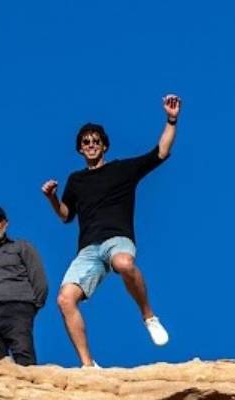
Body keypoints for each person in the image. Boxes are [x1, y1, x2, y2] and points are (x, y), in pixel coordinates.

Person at [41, 94, 182, 367]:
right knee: (65, 299)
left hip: (117, 239)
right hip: (88, 249)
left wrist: (171, 119)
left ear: (104, 145)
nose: (91, 145)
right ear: (80, 149)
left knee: (123, 263)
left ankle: (149, 317)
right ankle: (88, 366)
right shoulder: (76, 180)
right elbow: (66, 216)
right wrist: (52, 198)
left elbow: (161, 153)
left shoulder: (122, 170)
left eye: (95, 141)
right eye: (86, 142)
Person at [0, 205, 48, 365]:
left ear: (6, 223)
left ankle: (28, 381)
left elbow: (39, 280)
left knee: (24, 358)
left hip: (17, 308)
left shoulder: (21, 247)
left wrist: (30, 308)